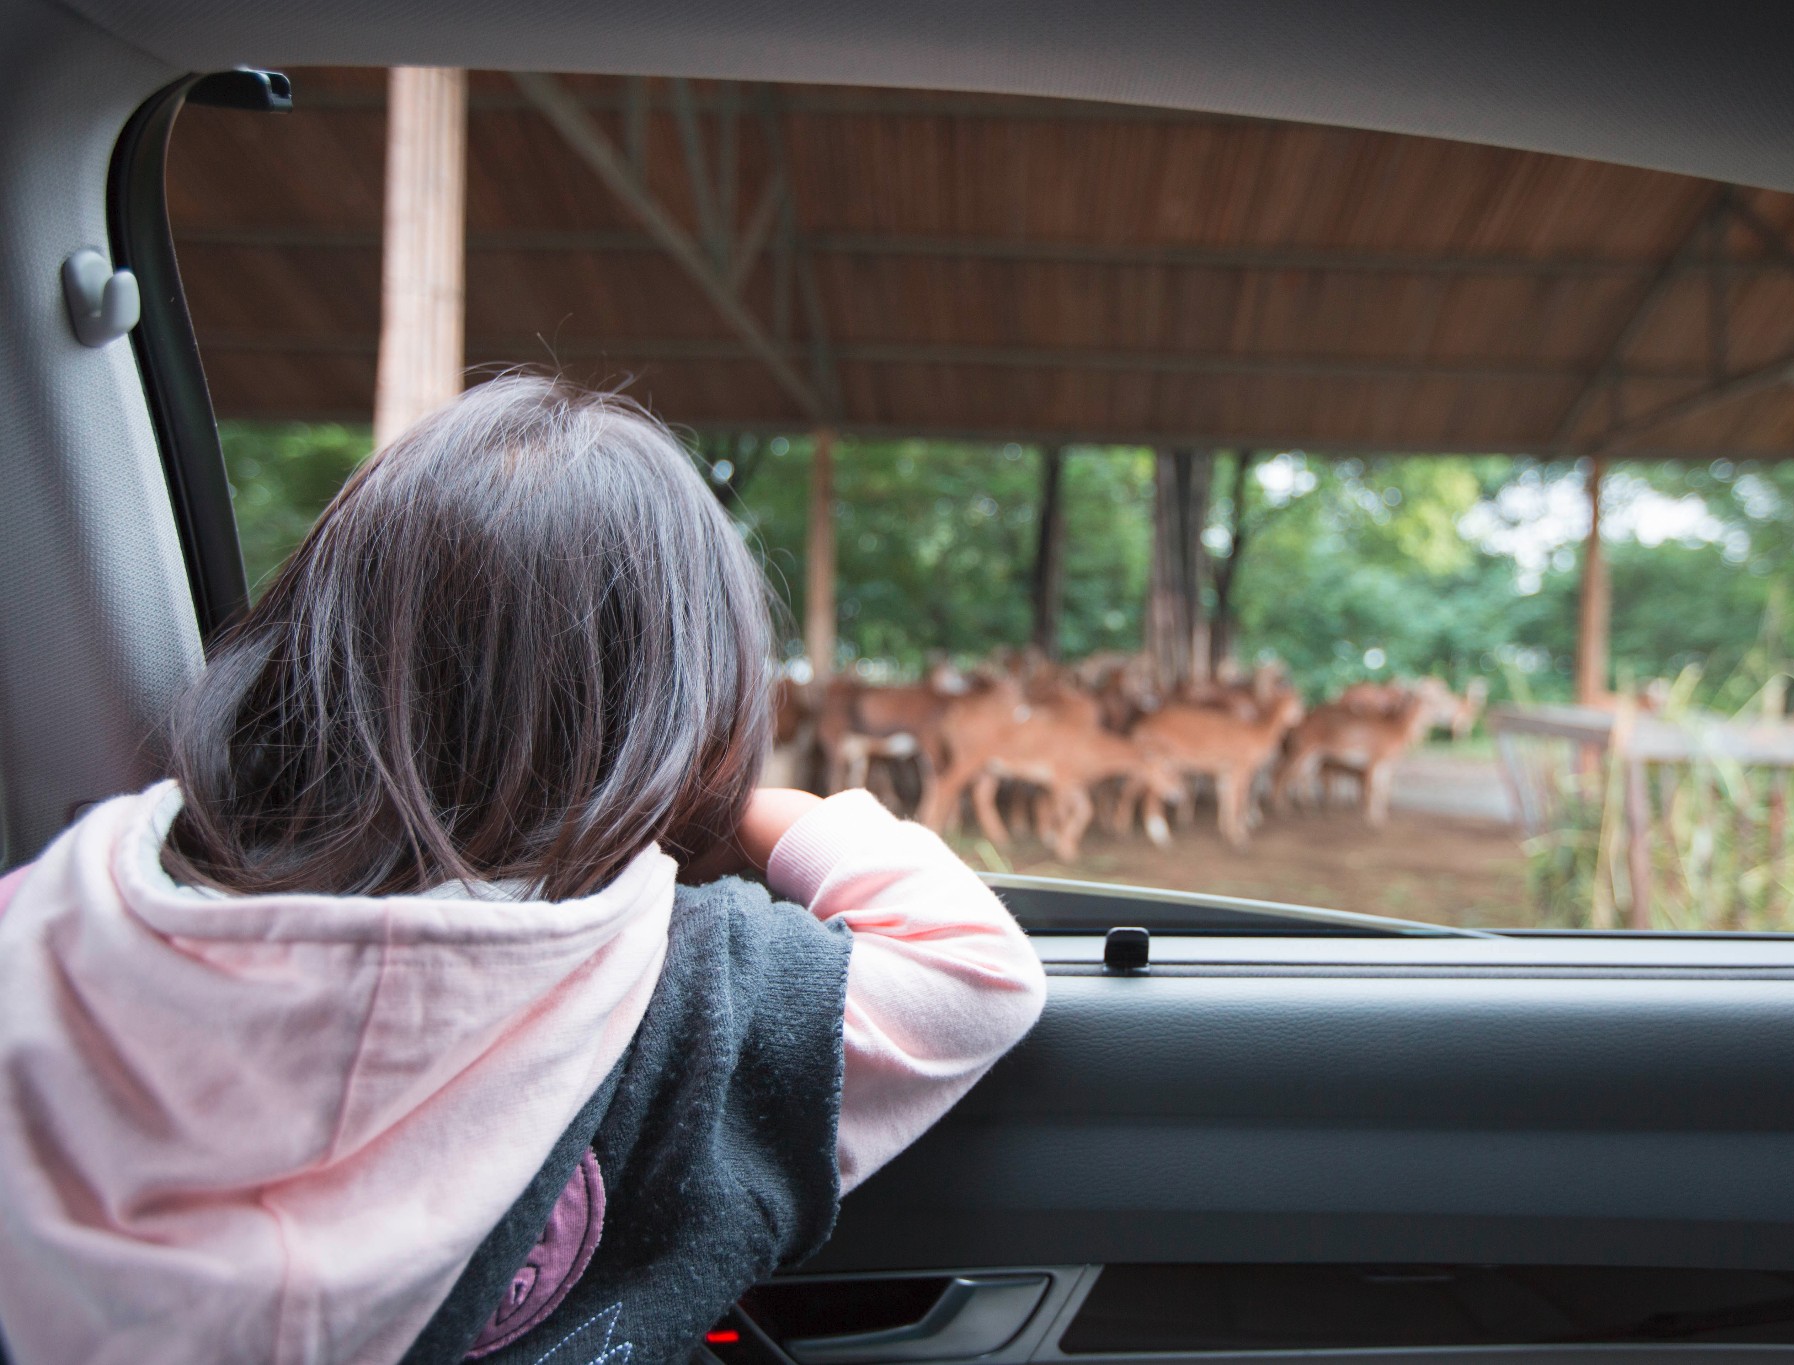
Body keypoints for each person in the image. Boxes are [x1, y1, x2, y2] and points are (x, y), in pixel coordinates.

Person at [0, 376, 1046, 1365]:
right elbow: (975, 971)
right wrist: (748, 812)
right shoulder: (689, 1000)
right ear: (687, 720)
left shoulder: (51, 930)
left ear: (299, 654)